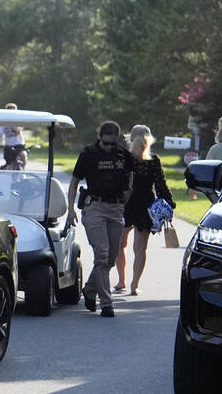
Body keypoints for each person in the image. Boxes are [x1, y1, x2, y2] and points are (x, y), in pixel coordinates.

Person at [66, 121, 134, 318]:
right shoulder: (89, 154)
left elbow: (131, 176)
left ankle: (89, 288)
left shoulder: (123, 154)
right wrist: (70, 210)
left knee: (111, 257)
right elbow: (74, 182)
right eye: (106, 143)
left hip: (115, 208)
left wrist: (128, 194)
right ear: (100, 138)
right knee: (102, 255)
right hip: (94, 206)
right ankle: (106, 303)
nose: (110, 147)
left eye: (113, 144)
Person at [115, 124, 174, 296]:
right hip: (145, 207)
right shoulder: (153, 160)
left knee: (120, 245)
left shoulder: (124, 158)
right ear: (150, 139)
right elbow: (161, 184)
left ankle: (121, 281)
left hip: (125, 205)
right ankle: (134, 285)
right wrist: (169, 203)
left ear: (130, 138)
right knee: (140, 249)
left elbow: (118, 182)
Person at [0, 102, 26, 169]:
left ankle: (23, 172)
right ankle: (9, 172)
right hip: (9, 145)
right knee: (10, 163)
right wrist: (0, 143)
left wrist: (12, 123)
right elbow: (0, 135)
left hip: (19, 144)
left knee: (23, 157)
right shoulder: (3, 123)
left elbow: (18, 130)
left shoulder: (18, 121)